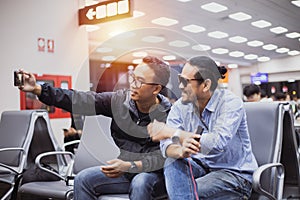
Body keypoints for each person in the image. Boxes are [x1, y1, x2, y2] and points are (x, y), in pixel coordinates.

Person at [17, 56, 172, 200]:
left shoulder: (170, 115)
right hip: (126, 172)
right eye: (132, 78)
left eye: (140, 81)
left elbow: (163, 158)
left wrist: (131, 166)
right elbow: (81, 100)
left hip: (155, 176)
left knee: (141, 182)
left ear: (156, 89)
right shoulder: (119, 102)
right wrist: (38, 89)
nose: (133, 84)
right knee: (83, 179)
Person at [148, 56, 258, 199]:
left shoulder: (230, 103)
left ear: (206, 85)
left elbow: (217, 142)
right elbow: (166, 145)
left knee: (184, 193)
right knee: (172, 162)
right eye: (180, 79)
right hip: (202, 167)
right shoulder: (180, 106)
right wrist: (180, 150)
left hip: (234, 175)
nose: (180, 86)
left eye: (185, 81)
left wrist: (173, 133)